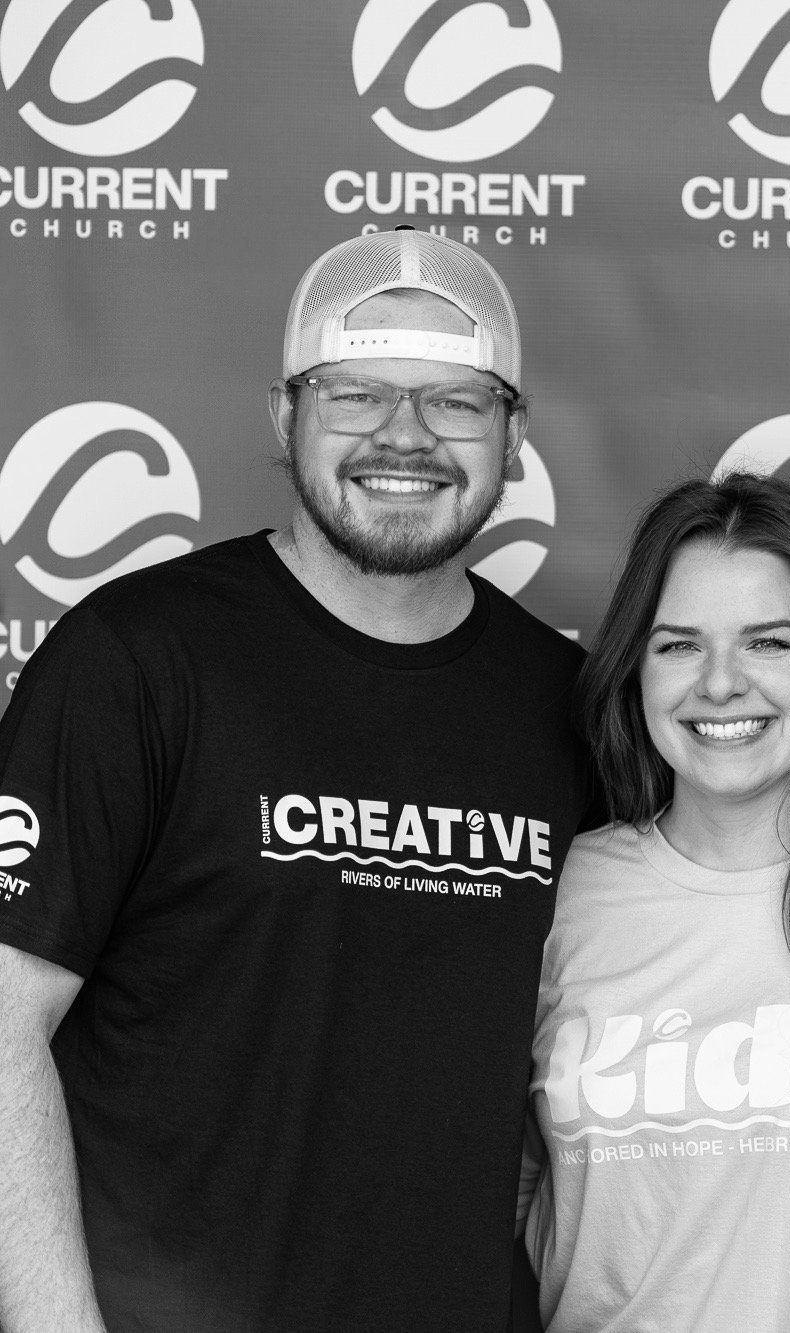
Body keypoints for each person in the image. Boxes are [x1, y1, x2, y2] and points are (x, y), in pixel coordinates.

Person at [0, 228, 594, 1332]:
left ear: (514, 436)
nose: (405, 435)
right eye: (355, 393)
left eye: (456, 402)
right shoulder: (136, 660)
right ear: (286, 416)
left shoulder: (571, 707)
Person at [521, 473, 790, 1332]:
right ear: (635, 667)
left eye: (769, 642)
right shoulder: (556, 894)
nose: (720, 683)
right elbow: (498, 1197)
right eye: (679, 644)